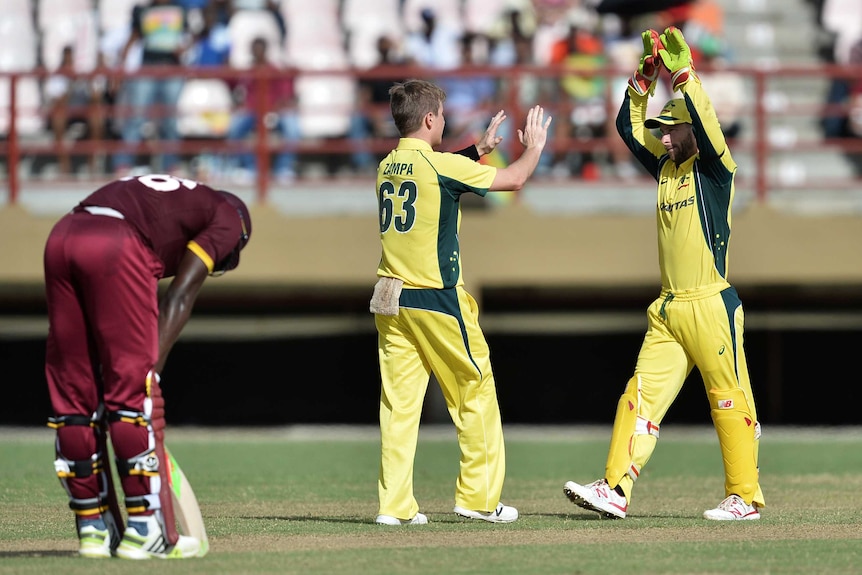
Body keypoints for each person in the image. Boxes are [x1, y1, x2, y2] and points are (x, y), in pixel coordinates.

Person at [562, 27, 765, 521]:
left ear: (692, 129)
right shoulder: (666, 168)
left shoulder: (717, 171)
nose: (665, 136)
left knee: (726, 402)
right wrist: (643, 81)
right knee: (639, 396)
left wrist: (684, 77)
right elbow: (628, 129)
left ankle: (745, 497)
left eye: (672, 129)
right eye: (664, 130)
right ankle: (614, 488)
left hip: (711, 304)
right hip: (670, 309)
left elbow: (709, 123)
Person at [371, 78, 551, 525]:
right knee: (475, 391)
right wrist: (535, 147)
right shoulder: (438, 167)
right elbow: (516, 179)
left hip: (391, 298)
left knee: (398, 407)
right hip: (436, 296)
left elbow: (437, 174)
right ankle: (478, 499)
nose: (445, 121)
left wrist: (478, 149)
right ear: (430, 119)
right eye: (443, 116)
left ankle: (394, 508)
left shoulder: (386, 165)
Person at [44, 174, 252, 558]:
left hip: (63, 234)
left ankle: (94, 529)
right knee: (133, 396)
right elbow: (179, 297)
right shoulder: (228, 219)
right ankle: (148, 529)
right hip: (115, 242)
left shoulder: (177, 199)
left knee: (75, 399)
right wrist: (151, 370)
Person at [111, 0, 191, 175]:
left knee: (169, 120)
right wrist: (120, 68)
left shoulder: (180, 11)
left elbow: (187, 41)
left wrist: (183, 49)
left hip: (172, 70)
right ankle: (123, 164)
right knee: (136, 117)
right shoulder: (142, 11)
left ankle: (171, 165)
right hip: (147, 69)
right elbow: (132, 38)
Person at [225, 35, 301, 183]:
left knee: (293, 130)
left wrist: (274, 111)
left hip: (274, 112)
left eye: (260, 49)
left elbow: (284, 95)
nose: (257, 52)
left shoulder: (274, 70)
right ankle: (250, 169)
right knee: (234, 129)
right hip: (252, 111)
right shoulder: (247, 72)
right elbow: (234, 87)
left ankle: (283, 170)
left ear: (265, 50)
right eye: (254, 49)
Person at [44, 45, 107, 175]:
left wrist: (88, 81)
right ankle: (64, 166)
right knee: (58, 119)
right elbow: (59, 102)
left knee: (97, 119)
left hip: (86, 110)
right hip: (66, 110)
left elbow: (96, 98)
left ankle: (92, 164)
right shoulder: (58, 75)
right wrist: (71, 82)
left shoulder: (90, 73)